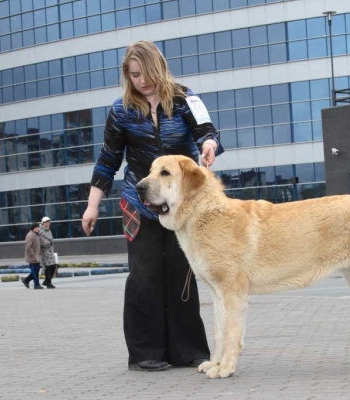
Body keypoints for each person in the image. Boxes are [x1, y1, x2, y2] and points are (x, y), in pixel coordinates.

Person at [82, 40, 223, 372]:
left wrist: (209, 147)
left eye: (145, 74)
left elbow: (207, 132)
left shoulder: (186, 98)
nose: (141, 81)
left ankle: (188, 350)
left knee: (182, 274)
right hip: (138, 204)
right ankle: (145, 352)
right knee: (144, 276)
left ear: (158, 68)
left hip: (182, 206)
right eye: (133, 75)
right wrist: (92, 207)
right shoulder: (121, 111)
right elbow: (107, 162)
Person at [22, 222, 43, 290]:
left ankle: (26, 280)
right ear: (33, 228)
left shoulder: (37, 235)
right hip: (32, 257)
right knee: (34, 271)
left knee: (36, 270)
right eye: (36, 228)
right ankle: (36, 284)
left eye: (38, 227)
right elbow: (28, 247)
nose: (38, 229)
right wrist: (33, 255)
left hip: (37, 257)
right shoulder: (30, 235)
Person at [39, 216, 57, 289]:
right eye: (46, 222)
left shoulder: (48, 230)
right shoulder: (41, 231)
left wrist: (50, 243)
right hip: (45, 252)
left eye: (48, 222)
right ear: (43, 223)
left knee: (54, 266)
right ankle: (48, 282)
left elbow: (51, 240)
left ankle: (46, 280)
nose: (47, 224)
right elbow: (42, 241)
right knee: (48, 267)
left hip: (51, 252)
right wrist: (48, 243)